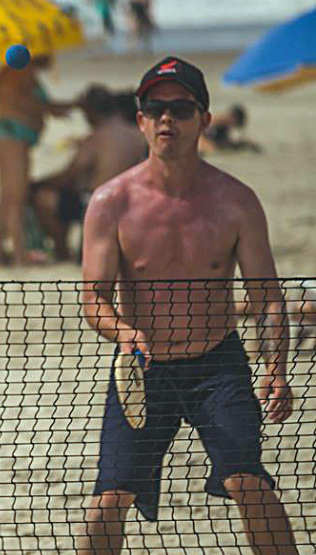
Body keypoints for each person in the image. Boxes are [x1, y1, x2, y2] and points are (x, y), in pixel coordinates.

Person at [79, 57, 297, 554]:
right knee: (109, 498)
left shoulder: (236, 201)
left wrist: (276, 368)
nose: (165, 120)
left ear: (204, 119)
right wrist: (123, 332)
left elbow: (267, 297)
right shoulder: (111, 201)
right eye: (154, 108)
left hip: (217, 363)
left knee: (250, 484)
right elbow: (93, 299)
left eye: (179, 108)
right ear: (140, 119)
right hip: (142, 365)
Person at [30, 85, 146, 260]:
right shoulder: (139, 135)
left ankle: (62, 251)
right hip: (132, 200)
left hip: (97, 203)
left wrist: (40, 184)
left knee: (44, 197)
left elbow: (70, 174)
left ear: (91, 112)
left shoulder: (98, 136)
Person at [0, 55, 72, 265]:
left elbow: (33, 102)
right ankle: (18, 256)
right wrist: (51, 109)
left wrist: (65, 106)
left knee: (8, 197)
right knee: (15, 198)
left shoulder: (19, 71)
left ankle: (1, 255)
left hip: (10, 137)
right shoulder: (20, 70)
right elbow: (24, 103)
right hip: (12, 136)